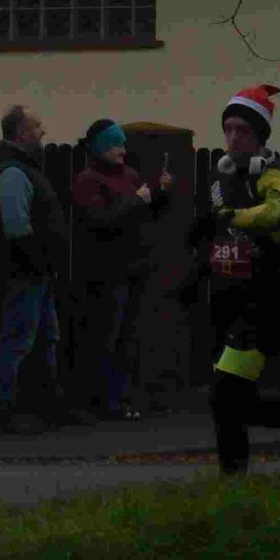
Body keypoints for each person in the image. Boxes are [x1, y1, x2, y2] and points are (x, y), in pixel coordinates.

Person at [179, 83, 280, 475]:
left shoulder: (273, 175)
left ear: (260, 135)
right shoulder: (220, 180)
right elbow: (218, 239)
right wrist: (196, 270)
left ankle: (236, 478)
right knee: (231, 400)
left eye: (243, 130)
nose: (233, 137)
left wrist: (233, 216)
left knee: (226, 393)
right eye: (228, 128)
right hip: (225, 301)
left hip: (262, 303)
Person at [71, 120, 176, 419]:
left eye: (123, 144)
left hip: (135, 267)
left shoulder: (129, 175)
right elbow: (100, 221)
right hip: (107, 271)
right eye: (116, 145)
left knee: (128, 337)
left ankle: (122, 398)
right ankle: (103, 400)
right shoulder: (88, 180)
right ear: (101, 147)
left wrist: (161, 193)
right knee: (107, 336)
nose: (123, 150)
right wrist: (137, 200)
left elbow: (144, 213)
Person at [0, 102, 71, 433]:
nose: (43, 131)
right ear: (21, 132)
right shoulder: (13, 172)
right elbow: (17, 227)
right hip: (24, 272)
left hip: (37, 271)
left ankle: (51, 406)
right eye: (37, 126)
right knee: (18, 339)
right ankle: (2, 408)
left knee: (47, 337)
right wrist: (38, 262)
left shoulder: (24, 168)